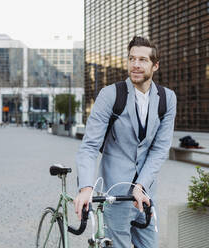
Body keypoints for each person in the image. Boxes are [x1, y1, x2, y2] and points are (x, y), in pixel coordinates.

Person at [74, 36, 176, 248]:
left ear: (155, 65)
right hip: (114, 194)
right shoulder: (111, 94)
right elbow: (90, 145)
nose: (135, 65)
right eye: (131, 59)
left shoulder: (167, 98)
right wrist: (86, 187)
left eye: (142, 60)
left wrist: (141, 185)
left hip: (146, 195)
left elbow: (160, 149)